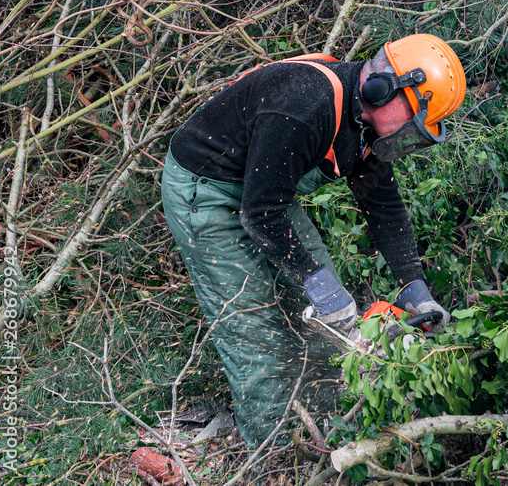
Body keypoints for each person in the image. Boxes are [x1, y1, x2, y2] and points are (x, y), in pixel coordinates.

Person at [160, 34, 466, 449]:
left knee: (332, 316)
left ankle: (326, 435)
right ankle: (270, 458)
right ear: (386, 87)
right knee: (258, 336)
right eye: (414, 120)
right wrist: (316, 284)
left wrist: (415, 288)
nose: (410, 136)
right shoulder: (306, 106)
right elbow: (260, 213)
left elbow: (384, 206)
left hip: (265, 194)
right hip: (207, 192)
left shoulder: (363, 121)